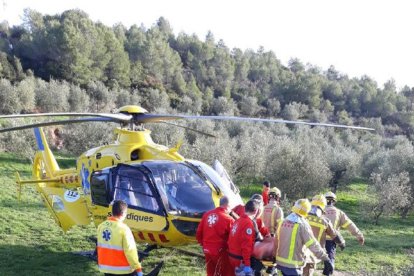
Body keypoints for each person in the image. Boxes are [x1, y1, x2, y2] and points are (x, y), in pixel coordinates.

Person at [275, 199, 334, 276]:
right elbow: (312, 244)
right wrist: (326, 258)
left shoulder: (283, 221)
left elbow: (276, 240)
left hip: (280, 262)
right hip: (293, 265)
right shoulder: (302, 225)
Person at [97, 200, 143, 276]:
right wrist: (138, 268)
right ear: (124, 213)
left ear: (112, 212)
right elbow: (130, 251)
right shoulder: (124, 229)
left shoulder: (101, 226)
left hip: (106, 268)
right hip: (122, 270)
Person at [323, 192, 364, 275]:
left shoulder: (319, 211)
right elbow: (349, 224)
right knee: (329, 261)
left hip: (317, 239)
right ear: (334, 201)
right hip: (331, 241)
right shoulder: (339, 212)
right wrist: (359, 235)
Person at [303, 195, 345, 276]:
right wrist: (341, 243)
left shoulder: (303, 216)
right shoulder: (325, 221)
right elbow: (335, 235)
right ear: (323, 207)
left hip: (298, 253)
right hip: (312, 255)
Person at [196, 196, 234, 276]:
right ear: (228, 205)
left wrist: (203, 244)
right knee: (226, 272)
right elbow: (233, 238)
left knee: (211, 273)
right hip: (221, 251)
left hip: (207, 249)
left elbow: (199, 232)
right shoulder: (228, 219)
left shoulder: (207, 215)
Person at [228, 200, 263, 276]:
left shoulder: (238, 220)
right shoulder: (248, 223)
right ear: (255, 211)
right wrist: (247, 264)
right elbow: (246, 246)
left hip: (232, 256)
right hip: (240, 259)